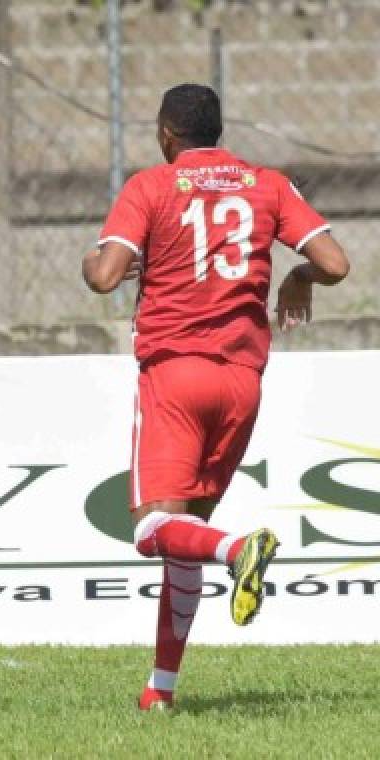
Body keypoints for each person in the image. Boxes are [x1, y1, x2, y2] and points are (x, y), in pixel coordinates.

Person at [82, 84, 350, 711]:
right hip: (242, 383)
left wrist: (101, 259)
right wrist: (299, 275)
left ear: (165, 133)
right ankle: (161, 691)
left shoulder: (151, 185)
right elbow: (335, 264)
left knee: (153, 528)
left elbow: (102, 279)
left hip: (176, 373)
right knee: (183, 534)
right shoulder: (268, 183)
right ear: (218, 130)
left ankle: (239, 549)